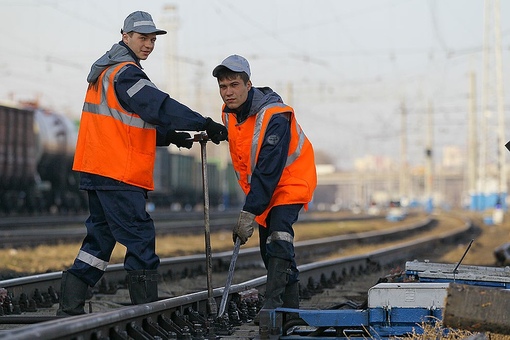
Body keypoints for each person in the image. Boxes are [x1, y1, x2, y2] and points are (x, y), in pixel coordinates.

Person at [56, 11, 227, 316]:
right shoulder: (126, 73)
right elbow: (157, 105)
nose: (148, 45)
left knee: (99, 241)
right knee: (140, 238)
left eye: (152, 39)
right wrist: (203, 122)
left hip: (98, 169)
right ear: (125, 36)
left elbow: (126, 123)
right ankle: (146, 314)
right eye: (142, 38)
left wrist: (169, 136)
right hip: (118, 172)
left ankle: (69, 307)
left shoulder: (105, 73)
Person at [212, 55, 317, 323]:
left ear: (249, 85)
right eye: (223, 87)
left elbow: (269, 166)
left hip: (290, 181)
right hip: (262, 189)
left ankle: (273, 308)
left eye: (234, 85)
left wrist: (249, 210)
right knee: (268, 251)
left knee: (279, 237)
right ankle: (291, 313)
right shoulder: (228, 113)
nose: (228, 92)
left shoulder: (275, 114)